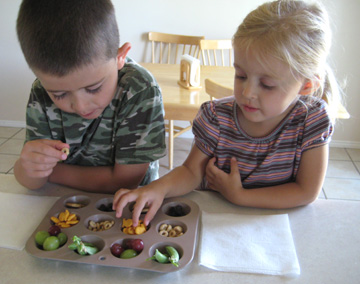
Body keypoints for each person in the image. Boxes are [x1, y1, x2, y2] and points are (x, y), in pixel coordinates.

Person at [113, 0, 342, 226]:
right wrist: (157, 188)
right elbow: (191, 171)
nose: (247, 92)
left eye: (267, 85)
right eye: (240, 76)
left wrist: (240, 196)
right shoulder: (216, 118)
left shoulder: (311, 121)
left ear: (306, 86)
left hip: (276, 228)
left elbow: (306, 192)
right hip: (214, 222)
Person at [14, 0, 166, 193]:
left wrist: (51, 173)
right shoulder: (41, 93)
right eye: (59, 94)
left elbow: (124, 182)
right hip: (65, 200)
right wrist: (29, 167)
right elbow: (30, 180)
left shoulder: (139, 90)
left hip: (129, 203)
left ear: (120, 57)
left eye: (93, 89)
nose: (81, 106)